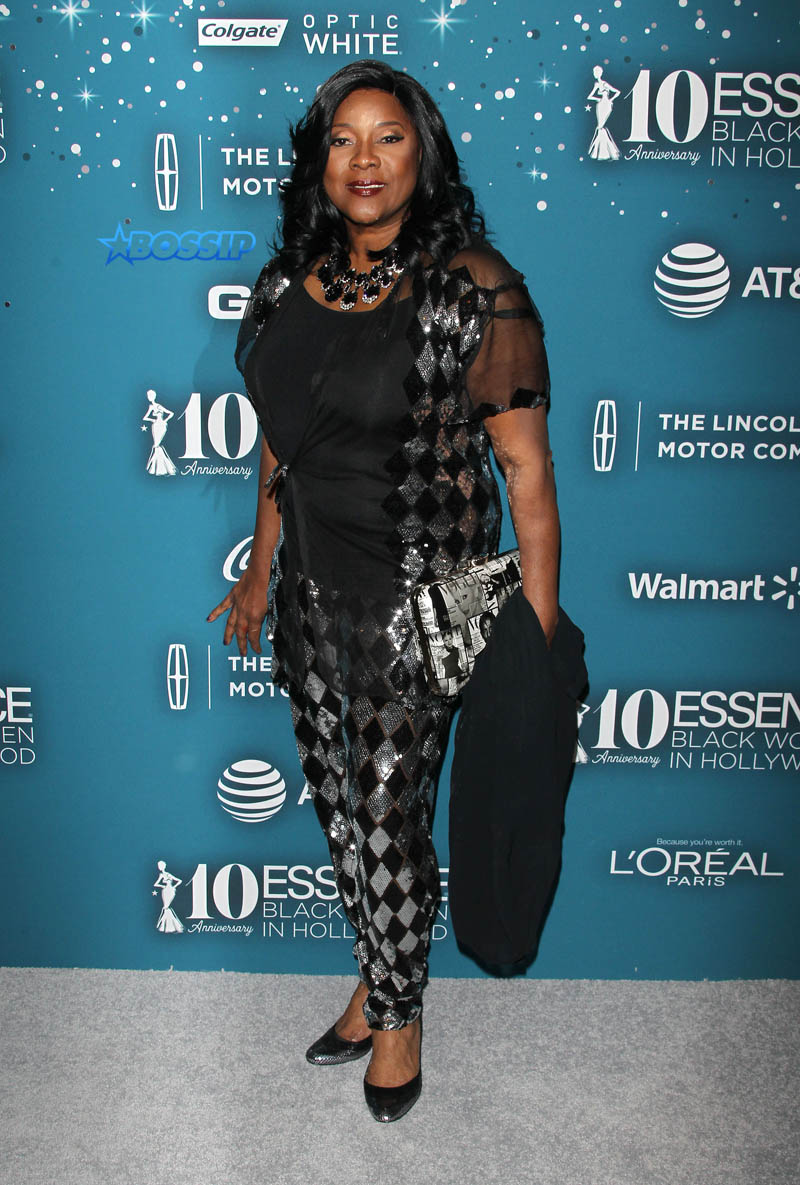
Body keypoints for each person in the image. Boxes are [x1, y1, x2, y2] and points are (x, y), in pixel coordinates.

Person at [208, 59, 559, 1122]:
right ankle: (376, 973)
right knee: (339, 808)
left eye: (388, 137)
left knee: (385, 812)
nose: (364, 160)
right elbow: (282, 447)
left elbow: (527, 474)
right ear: (318, 162)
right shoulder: (285, 283)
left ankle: (397, 1017)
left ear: (424, 153)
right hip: (316, 591)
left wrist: (534, 635)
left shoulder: (471, 285)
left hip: (430, 595)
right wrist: (258, 573)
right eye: (343, 139)